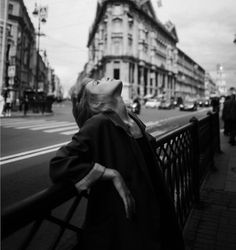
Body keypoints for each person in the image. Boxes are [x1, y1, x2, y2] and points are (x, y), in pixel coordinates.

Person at [50, 77, 185, 250]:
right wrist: (110, 174)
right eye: (96, 83)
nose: (104, 77)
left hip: (156, 203)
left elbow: (145, 148)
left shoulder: (133, 120)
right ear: (93, 100)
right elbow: (60, 163)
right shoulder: (98, 124)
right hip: (131, 220)